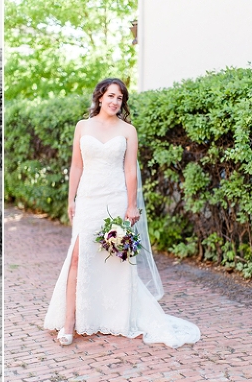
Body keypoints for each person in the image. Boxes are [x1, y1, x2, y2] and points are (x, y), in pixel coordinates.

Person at [43, 78, 200, 348]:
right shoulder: (83, 126)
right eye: (111, 96)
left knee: (115, 259)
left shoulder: (128, 131)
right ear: (100, 97)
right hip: (88, 199)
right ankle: (69, 322)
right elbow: (77, 166)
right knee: (78, 257)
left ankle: (114, 318)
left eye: (120, 98)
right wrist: (71, 199)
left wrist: (131, 204)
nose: (115, 101)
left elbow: (129, 170)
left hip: (115, 199)